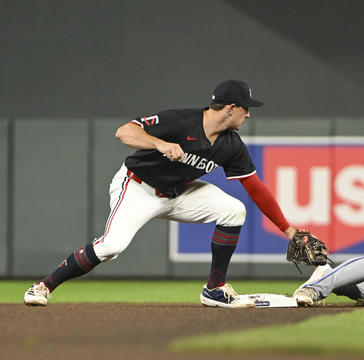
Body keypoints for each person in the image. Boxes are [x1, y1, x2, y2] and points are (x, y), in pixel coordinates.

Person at [24, 79, 306, 308]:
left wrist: (288, 230)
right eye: (246, 108)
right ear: (230, 108)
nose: (248, 114)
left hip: (179, 193)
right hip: (138, 187)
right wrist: (159, 144)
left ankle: (215, 289)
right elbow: (124, 132)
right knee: (111, 247)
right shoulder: (182, 120)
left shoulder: (232, 146)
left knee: (234, 210)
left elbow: (255, 188)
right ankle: (43, 286)